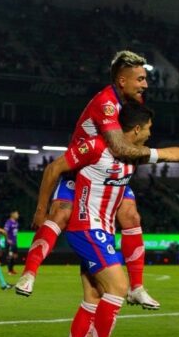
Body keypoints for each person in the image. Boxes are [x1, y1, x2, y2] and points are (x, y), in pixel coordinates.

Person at [49, 101, 179, 337]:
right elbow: (60, 168)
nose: (150, 133)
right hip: (88, 226)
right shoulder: (99, 148)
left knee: (94, 297)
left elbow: (171, 154)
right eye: (148, 128)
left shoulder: (133, 154)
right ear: (135, 130)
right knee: (118, 288)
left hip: (104, 229)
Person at [16, 50, 160, 309]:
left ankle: (137, 287)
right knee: (60, 213)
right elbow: (119, 147)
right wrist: (165, 155)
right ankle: (29, 273)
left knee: (131, 215)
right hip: (82, 167)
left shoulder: (131, 103)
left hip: (107, 171)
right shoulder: (106, 103)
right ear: (122, 80)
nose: (145, 85)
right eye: (139, 79)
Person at [4, 210, 20, 275]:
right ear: (12, 214)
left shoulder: (16, 223)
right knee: (10, 256)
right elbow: (5, 231)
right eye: (16, 214)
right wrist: (7, 239)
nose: (18, 215)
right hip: (9, 242)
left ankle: (12, 269)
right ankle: (9, 271)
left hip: (14, 242)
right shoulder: (8, 222)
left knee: (15, 256)